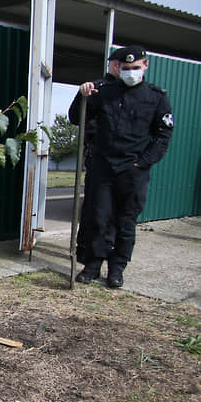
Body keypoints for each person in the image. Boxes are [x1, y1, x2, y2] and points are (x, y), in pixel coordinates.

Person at [68, 46, 173, 288]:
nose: (130, 72)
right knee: (98, 216)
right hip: (103, 167)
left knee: (125, 221)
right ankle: (92, 265)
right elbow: (76, 117)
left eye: (135, 68)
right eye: (126, 69)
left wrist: (143, 163)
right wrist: (82, 95)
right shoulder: (104, 92)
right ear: (119, 68)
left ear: (145, 65)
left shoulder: (157, 97)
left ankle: (117, 269)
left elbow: (163, 135)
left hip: (133, 170)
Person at [75, 48, 124, 267]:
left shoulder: (140, 93)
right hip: (98, 158)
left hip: (126, 162)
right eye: (117, 64)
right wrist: (82, 96)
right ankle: (86, 253)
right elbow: (76, 117)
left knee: (119, 211)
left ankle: (112, 258)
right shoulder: (96, 88)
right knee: (94, 208)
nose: (121, 68)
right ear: (112, 65)